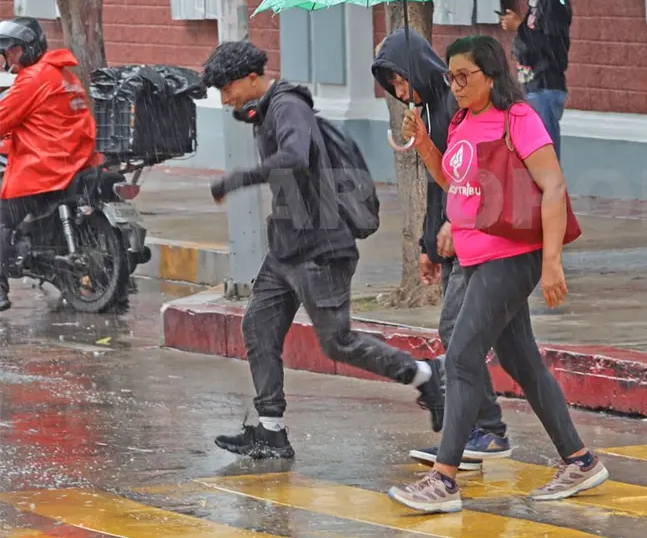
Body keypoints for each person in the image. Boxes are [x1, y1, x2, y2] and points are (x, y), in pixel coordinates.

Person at [388, 35, 607, 514]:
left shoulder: (519, 119)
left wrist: (551, 262)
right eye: (451, 77)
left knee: (463, 356)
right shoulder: (464, 121)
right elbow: (457, 182)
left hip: (510, 256)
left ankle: (443, 480)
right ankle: (580, 459)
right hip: (473, 256)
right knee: (522, 363)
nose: (457, 86)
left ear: (492, 75)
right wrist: (425, 145)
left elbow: (553, 187)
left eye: (465, 76)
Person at [203, 40, 444, 460]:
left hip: (321, 247)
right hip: (287, 248)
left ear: (251, 78)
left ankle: (425, 375)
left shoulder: (287, 106)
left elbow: (295, 157)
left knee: (338, 342)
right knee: (258, 326)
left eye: (227, 89)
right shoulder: (267, 111)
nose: (225, 100)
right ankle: (271, 431)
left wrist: (239, 178)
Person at [372, 28, 513, 468]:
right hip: (454, 239)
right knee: (481, 339)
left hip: (475, 237)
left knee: (457, 335)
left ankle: (486, 430)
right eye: (390, 85)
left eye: (399, 79)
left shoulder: (453, 104)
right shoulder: (430, 110)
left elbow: (470, 174)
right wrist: (428, 245)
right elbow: (438, 187)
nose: (398, 90)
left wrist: (453, 222)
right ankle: (485, 431)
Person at [0, 17, 100, 312]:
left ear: (29, 49)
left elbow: (4, 117)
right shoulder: (64, 74)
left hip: (45, 167)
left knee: (2, 217)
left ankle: (0, 290)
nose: (10, 59)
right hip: (77, 160)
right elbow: (45, 122)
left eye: (14, 51)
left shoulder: (33, 78)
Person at [499, 0, 571, 157]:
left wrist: (519, 26)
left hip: (545, 87)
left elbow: (552, 47)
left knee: (544, 157)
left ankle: (553, 193)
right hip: (533, 86)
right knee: (531, 156)